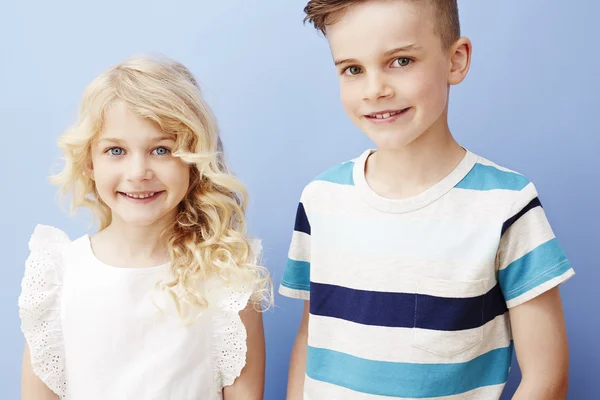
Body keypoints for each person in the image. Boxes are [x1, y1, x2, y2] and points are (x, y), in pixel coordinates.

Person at [279, 1, 574, 399]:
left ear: (456, 60)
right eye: (353, 69)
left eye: (401, 61)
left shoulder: (507, 205)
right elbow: (312, 336)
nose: (375, 90)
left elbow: (546, 380)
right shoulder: (320, 199)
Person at [18, 54, 271, 400]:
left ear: (194, 161)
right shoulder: (58, 276)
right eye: (116, 150)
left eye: (162, 150)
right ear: (89, 162)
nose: (138, 172)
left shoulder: (227, 278)